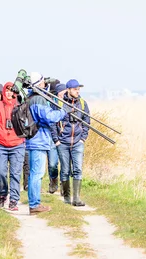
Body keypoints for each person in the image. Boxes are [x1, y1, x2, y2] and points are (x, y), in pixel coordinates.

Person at [26, 72, 68, 214]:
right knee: (37, 174)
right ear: (40, 83)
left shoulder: (31, 97)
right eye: (43, 81)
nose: (45, 83)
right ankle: (34, 205)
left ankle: (34, 203)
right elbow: (49, 116)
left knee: (34, 173)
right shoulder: (38, 99)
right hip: (38, 140)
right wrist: (63, 112)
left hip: (33, 139)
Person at [0, 82, 25, 211]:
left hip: (17, 144)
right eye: (7, 91)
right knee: (2, 172)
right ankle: (3, 194)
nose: (9, 93)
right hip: (0, 144)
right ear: (4, 92)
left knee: (15, 173)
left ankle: (14, 200)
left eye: (11, 91)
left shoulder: (20, 106)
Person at [54, 79, 90, 206]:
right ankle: (67, 198)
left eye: (78, 89)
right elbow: (53, 123)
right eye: (75, 89)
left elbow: (87, 121)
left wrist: (83, 138)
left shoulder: (82, 103)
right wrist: (56, 140)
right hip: (62, 142)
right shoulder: (59, 103)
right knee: (65, 170)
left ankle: (77, 198)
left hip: (77, 142)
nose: (78, 91)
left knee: (78, 169)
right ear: (68, 90)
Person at [48, 83, 68, 194]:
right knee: (52, 164)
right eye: (62, 92)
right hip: (53, 139)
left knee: (65, 164)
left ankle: (63, 185)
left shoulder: (69, 104)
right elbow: (51, 122)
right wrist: (56, 139)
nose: (63, 94)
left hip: (65, 138)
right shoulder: (52, 104)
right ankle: (53, 180)